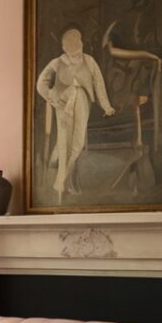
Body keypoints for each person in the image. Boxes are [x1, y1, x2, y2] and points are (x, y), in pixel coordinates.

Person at [36, 27, 115, 199]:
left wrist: (106, 106)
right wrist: (51, 96)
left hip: (82, 104)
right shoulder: (58, 62)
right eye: (70, 47)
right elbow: (41, 83)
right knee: (64, 142)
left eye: (76, 46)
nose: (74, 52)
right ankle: (62, 184)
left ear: (80, 44)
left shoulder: (89, 61)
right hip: (63, 106)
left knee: (77, 144)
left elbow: (99, 84)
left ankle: (61, 177)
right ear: (65, 47)